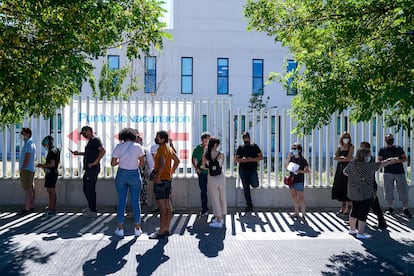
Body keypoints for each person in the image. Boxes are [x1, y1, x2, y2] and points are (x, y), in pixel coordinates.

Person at [343, 148, 396, 239]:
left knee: (354, 210)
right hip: (366, 193)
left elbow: (345, 172)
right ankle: (360, 233)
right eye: (368, 155)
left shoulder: (352, 164)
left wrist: (355, 177)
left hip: (353, 192)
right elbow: (383, 163)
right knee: (363, 213)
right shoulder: (369, 166)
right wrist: (391, 160)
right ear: (366, 156)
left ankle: (352, 230)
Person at [111, 128, 145, 238]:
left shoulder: (118, 147)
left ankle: (120, 228)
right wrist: (134, 163)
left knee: (121, 200)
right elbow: (142, 163)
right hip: (134, 174)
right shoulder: (138, 147)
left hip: (121, 174)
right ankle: (137, 228)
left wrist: (121, 161)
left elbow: (113, 163)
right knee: (136, 201)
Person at [149, 130, 180, 239]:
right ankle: (166, 229)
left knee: (162, 207)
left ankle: (162, 231)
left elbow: (161, 164)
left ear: (162, 139)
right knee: (167, 206)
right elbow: (177, 161)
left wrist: (157, 177)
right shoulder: (169, 148)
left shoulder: (161, 149)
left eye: (157, 137)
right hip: (167, 180)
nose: (156, 139)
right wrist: (170, 172)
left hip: (161, 180)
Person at [70, 126, 106, 217]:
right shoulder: (90, 142)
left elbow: (102, 151)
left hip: (93, 169)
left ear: (89, 131)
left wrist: (95, 162)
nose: (83, 135)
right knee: (86, 188)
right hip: (88, 169)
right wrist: (78, 153)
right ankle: (90, 207)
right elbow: (89, 153)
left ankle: (93, 210)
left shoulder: (95, 140)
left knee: (90, 189)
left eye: (84, 133)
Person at [378, 134, 412, 218]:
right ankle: (390, 208)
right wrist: (388, 161)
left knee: (403, 190)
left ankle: (405, 208)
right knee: (388, 190)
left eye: (391, 139)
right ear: (385, 140)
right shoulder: (382, 150)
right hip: (388, 172)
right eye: (389, 139)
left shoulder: (398, 148)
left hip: (399, 172)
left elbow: (405, 158)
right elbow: (379, 160)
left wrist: (397, 161)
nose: (390, 140)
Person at [360, 142, 387, 228]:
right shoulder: (365, 158)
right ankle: (381, 222)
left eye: (362, 148)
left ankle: (381, 221)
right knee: (373, 204)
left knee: (371, 204)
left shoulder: (368, 159)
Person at [235, 132, 263, 212]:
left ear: (249, 138)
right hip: (243, 170)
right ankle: (249, 205)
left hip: (252, 169)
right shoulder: (240, 148)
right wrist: (242, 160)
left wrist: (252, 159)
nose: (245, 139)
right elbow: (236, 159)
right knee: (246, 188)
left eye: (246, 138)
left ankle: (250, 181)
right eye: (244, 138)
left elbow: (261, 157)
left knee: (255, 184)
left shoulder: (254, 147)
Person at [202, 137, 227, 228]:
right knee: (222, 197)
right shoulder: (222, 154)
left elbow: (204, 167)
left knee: (214, 198)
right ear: (215, 145)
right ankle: (222, 217)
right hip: (220, 177)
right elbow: (222, 165)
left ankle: (218, 219)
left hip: (211, 177)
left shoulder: (205, 154)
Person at [284, 143, 309, 222]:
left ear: (299, 150)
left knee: (301, 198)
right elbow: (286, 166)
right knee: (294, 197)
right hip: (292, 180)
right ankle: (296, 212)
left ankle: (303, 214)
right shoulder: (291, 159)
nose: (293, 150)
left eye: (295, 149)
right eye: (292, 148)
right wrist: (288, 158)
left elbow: (307, 170)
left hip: (299, 180)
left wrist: (300, 171)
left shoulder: (303, 160)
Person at [36, 136, 60, 216]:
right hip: (52, 173)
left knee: (51, 191)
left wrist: (42, 165)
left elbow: (52, 164)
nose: (44, 147)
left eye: (45, 145)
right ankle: (51, 206)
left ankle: (52, 209)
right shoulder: (56, 149)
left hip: (51, 173)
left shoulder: (52, 152)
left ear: (48, 144)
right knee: (50, 191)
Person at [332, 131, 354, 215]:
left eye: (347, 137)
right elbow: (334, 157)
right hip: (340, 168)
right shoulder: (339, 147)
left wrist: (340, 158)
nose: (346, 139)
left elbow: (348, 158)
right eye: (344, 137)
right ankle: (343, 207)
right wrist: (341, 158)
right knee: (341, 187)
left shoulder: (351, 147)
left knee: (347, 187)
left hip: (348, 168)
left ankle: (349, 207)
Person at [192, 132, 211, 216]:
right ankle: (204, 209)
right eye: (207, 139)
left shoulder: (211, 148)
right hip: (202, 173)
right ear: (203, 139)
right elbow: (193, 159)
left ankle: (217, 210)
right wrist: (196, 168)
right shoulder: (197, 148)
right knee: (203, 191)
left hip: (210, 173)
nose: (208, 140)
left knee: (214, 191)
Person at [18, 127, 37, 215]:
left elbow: (27, 158)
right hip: (29, 169)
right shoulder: (29, 143)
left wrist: (22, 169)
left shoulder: (29, 144)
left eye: (23, 133)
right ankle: (31, 206)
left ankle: (27, 209)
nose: (21, 135)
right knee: (31, 189)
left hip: (27, 170)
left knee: (28, 190)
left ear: (28, 134)